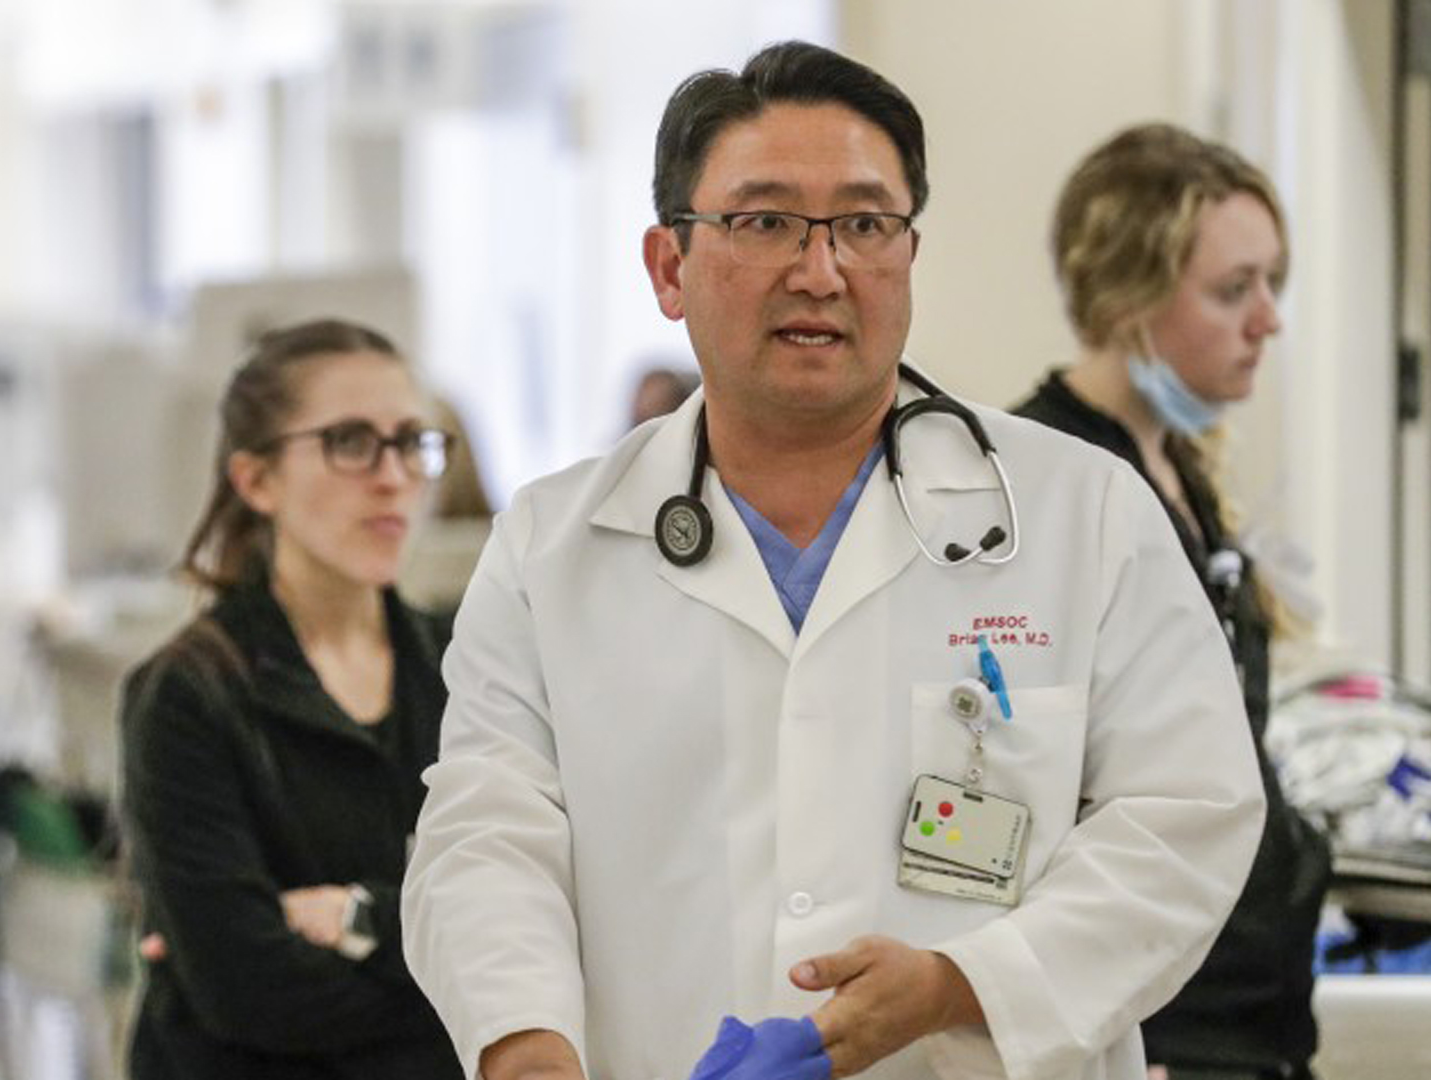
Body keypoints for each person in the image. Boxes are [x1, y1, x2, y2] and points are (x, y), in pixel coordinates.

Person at [401, 42, 1265, 1080]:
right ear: (669, 267)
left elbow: (1189, 816)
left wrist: (964, 983)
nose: (821, 270)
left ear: (907, 254)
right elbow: (485, 835)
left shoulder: (1083, 514)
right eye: (765, 222)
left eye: (865, 224)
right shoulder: (554, 549)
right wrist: (526, 1044)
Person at [1011, 124, 1332, 1080]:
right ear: (1129, 297)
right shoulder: (1052, 484)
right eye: (1234, 291)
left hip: (1247, 1016)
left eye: (1274, 283)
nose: (1266, 320)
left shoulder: (1174, 464)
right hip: (1163, 1028)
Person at [118, 318, 463, 1080]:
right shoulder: (188, 695)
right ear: (256, 479)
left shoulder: (467, 666)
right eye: (349, 441)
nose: (393, 475)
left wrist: (359, 916)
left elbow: (551, 914)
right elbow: (251, 993)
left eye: (413, 441)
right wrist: (457, 975)